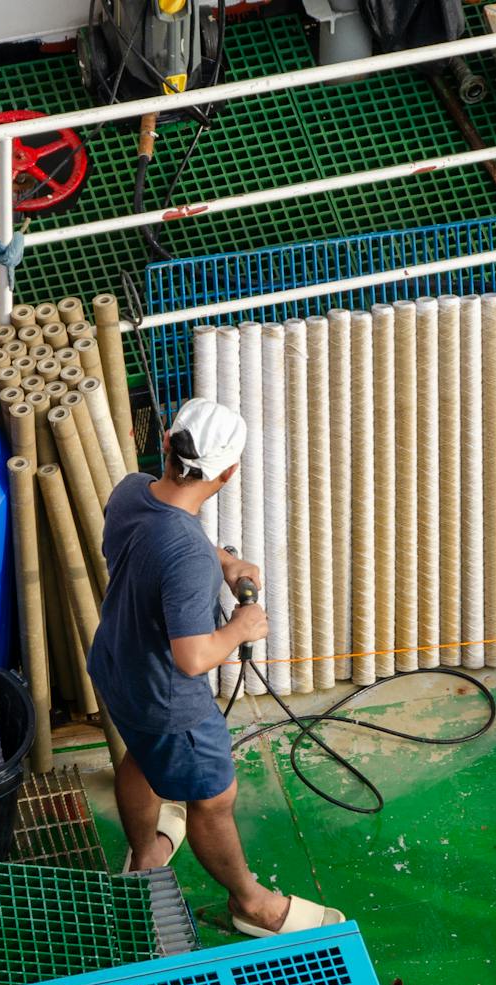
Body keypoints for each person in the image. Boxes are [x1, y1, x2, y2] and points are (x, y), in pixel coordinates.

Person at [89, 397, 345, 937]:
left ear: (166, 442)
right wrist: (241, 628)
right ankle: (251, 904)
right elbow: (193, 656)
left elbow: (165, 534)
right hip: (168, 702)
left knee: (139, 757)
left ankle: (146, 857)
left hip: (114, 666)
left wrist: (225, 561)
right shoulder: (187, 555)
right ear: (227, 473)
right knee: (212, 800)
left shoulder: (131, 490)